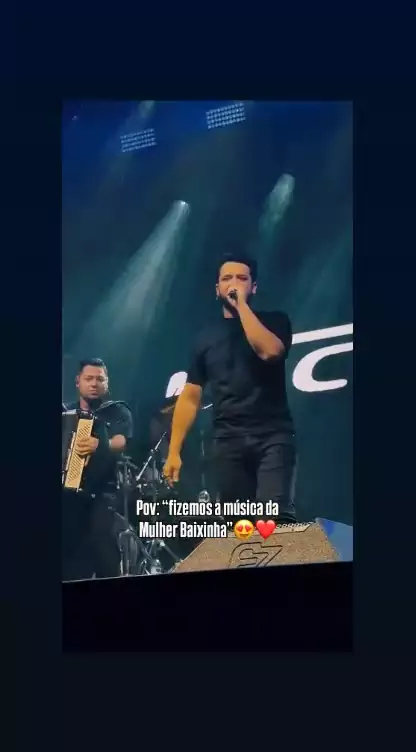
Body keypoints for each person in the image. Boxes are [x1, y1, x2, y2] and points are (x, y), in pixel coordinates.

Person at [163, 253, 297, 524]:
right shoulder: (205, 338)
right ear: (217, 289)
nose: (233, 284)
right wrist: (174, 451)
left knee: (275, 520)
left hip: (273, 435)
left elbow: (270, 352)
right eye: (227, 278)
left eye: (241, 278)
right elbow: (190, 397)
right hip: (228, 441)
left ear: (253, 287)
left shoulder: (275, 321)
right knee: (238, 526)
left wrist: (242, 307)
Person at [62, 358, 133, 580]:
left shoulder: (117, 411)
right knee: (71, 558)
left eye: (100, 379)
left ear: (107, 382)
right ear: (78, 381)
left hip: (103, 492)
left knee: (104, 552)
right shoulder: (66, 412)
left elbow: (121, 441)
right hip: (68, 496)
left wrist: (100, 445)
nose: (94, 384)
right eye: (89, 379)